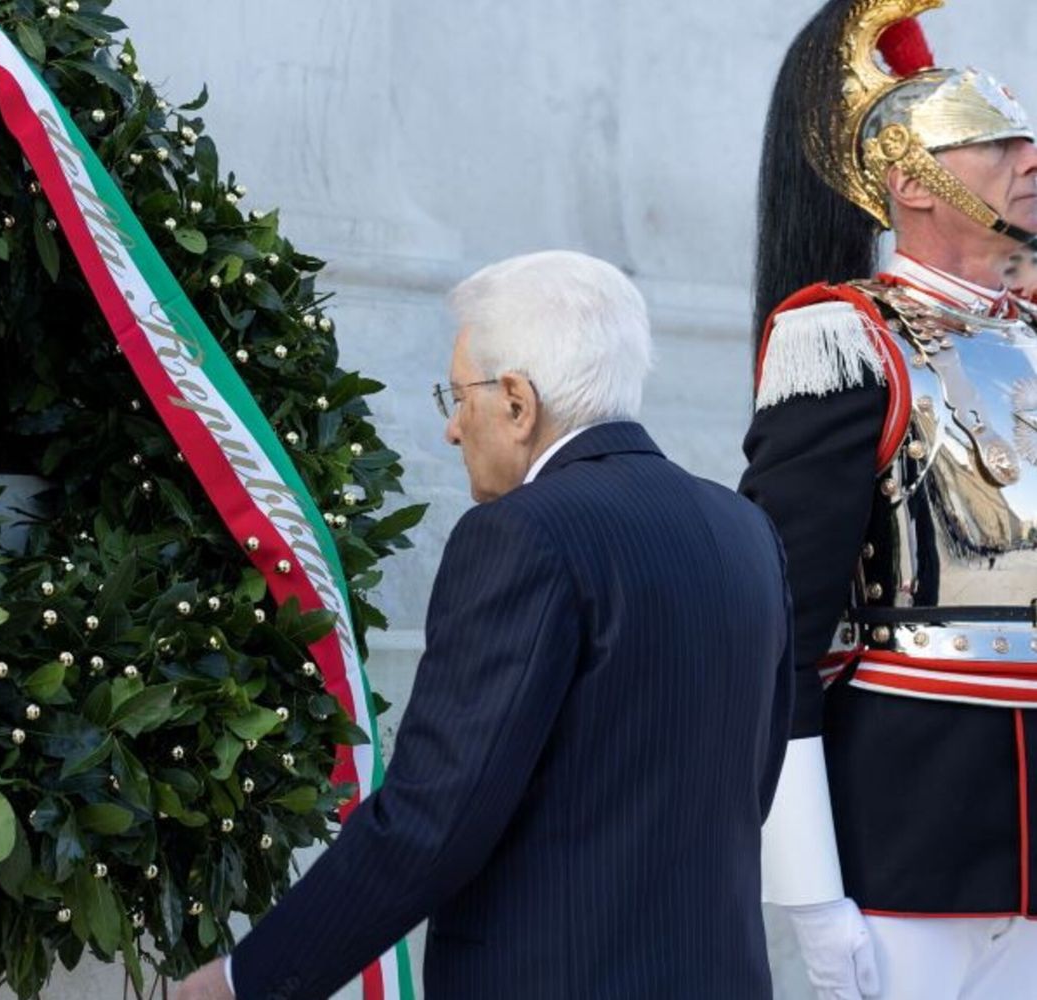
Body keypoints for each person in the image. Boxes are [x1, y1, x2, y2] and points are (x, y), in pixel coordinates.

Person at [177, 250, 795, 1000]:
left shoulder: (523, 534)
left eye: (456, 393)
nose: (450, 426)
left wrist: (248, 980)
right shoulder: (743, 530)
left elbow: (432, 817)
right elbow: (746, 785)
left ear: (515, 401)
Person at [743, 2, 1037, 997]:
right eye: (994, 142)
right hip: (908, 843)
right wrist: (810, 892)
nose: (1029, 158)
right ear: (911, 180)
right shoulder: (842, 338)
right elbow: (779, 632)